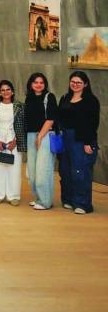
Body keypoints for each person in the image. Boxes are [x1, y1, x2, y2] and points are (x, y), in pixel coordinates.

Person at [58, 71, 100, 215]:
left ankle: (82, 204)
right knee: (65, 170)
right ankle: (68, 200)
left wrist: (88, 142)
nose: (75, 84)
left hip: (81, 140)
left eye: (79, 82)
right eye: (73, 82)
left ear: (85, 84)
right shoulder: (65, 98)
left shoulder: (91, 101)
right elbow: (59, 118)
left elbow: (93, 123)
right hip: (65, 139)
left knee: (80, 172)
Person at [0, 80, 26, 206]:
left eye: (8, 89)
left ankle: (13, 196)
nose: (5, 92)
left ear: (12, 91)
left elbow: (23, 126)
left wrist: (16, 140)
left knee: (14, 170)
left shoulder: (20, 106)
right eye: (2, 90)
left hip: (14, 142)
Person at [23, 72, 57, 210]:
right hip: (31, 136)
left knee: (43, 170)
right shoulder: (29, 98)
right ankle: (38, 197)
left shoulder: (49, 97)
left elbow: (51, 119)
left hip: (45, 135)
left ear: (45, 84)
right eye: (35, 82)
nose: (38, 85)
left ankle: (45, 201)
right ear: (31, 84)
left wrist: (40, 137)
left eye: (41, 82)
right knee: (32, 172)